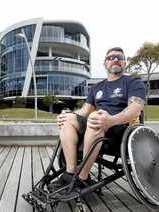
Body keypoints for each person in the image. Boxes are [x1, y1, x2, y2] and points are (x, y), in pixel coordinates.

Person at [54, 47, 145, 189]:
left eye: (119, 58)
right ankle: (70, 172)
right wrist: (68, 115)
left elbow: (134, 110)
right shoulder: (96, 88)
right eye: (111, 57)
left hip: (121, 129)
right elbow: (84, 111)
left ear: (124, 63)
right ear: (105, 64)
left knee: (96, 117)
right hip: (96, 125)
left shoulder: (133, 83)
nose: (115, 60)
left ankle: (83, 177)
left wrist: (111, 120)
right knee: (70, 119)